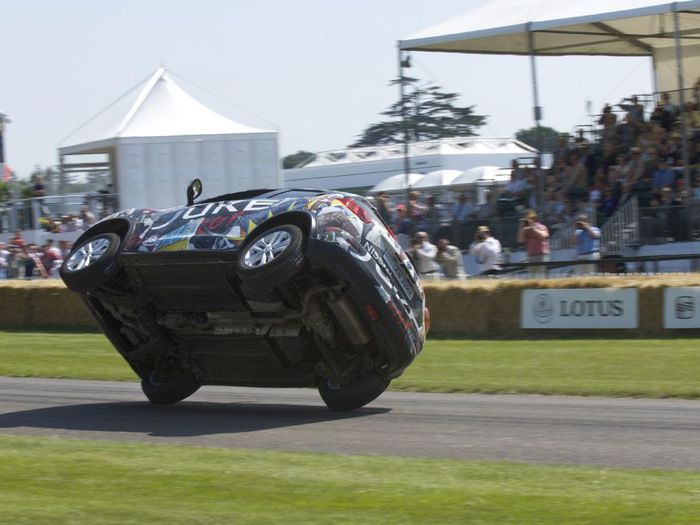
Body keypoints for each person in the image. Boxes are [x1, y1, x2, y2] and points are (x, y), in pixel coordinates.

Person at [517, 210, 550, 278]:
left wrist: (533, 228)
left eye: (530, 219)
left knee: (542, 278)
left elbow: (543, 236)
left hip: (541, 256)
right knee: (532, 279)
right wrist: (521, 228)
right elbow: (520, 240)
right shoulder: (525, 229)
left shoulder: (541, 227)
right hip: (530, 256)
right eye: (527, 219)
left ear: (535, 218)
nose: (529, 220)